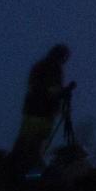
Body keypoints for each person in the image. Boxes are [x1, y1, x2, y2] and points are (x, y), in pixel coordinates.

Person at [10, 44, 72, 175]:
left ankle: (23, 168)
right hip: (37, 111)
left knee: (33, 140)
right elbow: (42, 88)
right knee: (30, 141)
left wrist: (60, 93)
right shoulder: (47, 68)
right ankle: (26, 170)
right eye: (64, 57)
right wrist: (58, 93)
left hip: (43, 111)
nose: (64, 60)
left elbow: (48, 89)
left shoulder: (49, 68)